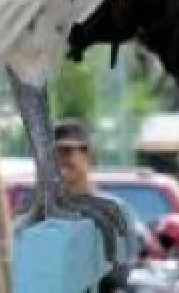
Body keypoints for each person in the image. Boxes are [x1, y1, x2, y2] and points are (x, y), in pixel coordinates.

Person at [49, 120, 140, 293]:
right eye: (55, 154)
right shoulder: (40, 212)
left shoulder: (113, 210)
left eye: (67, 151)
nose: (61, 159)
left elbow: (123, 271)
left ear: (89, 157)